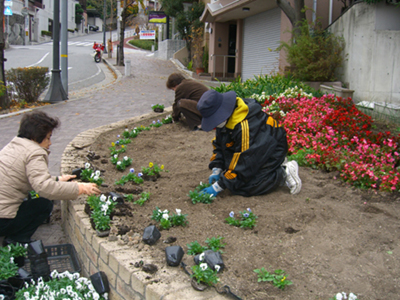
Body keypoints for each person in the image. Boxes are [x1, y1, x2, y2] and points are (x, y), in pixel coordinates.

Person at [0, 111, 101, 246]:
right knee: (44, 204)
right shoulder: (34, 153)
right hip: (2, 220)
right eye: (48, 138)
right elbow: (44, 188)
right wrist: (80, 188)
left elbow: (30, 177)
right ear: (36, 137)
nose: (50, 142)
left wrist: (58, 180)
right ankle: (16, 240)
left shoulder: (15, 145)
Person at [196, 90, 301, 197]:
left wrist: (218, 187)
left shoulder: (246, 127)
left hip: (271, 151)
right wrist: (217, 168)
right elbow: (219, 145)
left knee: (248, 186)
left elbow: (245, 164)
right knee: (233, 177)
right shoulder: (227, 118)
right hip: (252, 148)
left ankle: (284, 172)